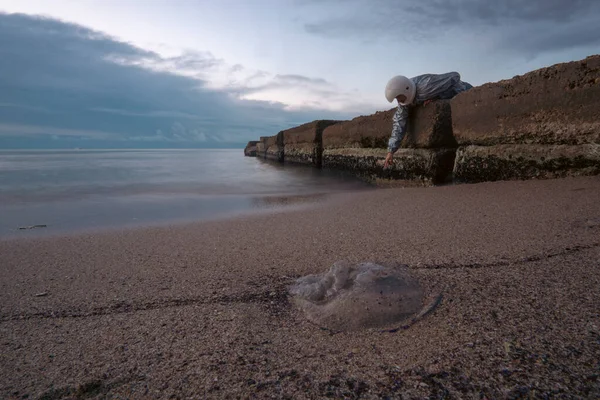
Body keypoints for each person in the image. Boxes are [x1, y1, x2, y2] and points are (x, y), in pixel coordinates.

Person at [383, 72, 473, 168]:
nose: (398, 100)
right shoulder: (404, 102)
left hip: (465, 90)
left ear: (406, 90)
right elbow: (399, 124)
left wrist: (438, 95)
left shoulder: (426, 86)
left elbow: (455, 77)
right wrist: (390, 151)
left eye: (398, 97)